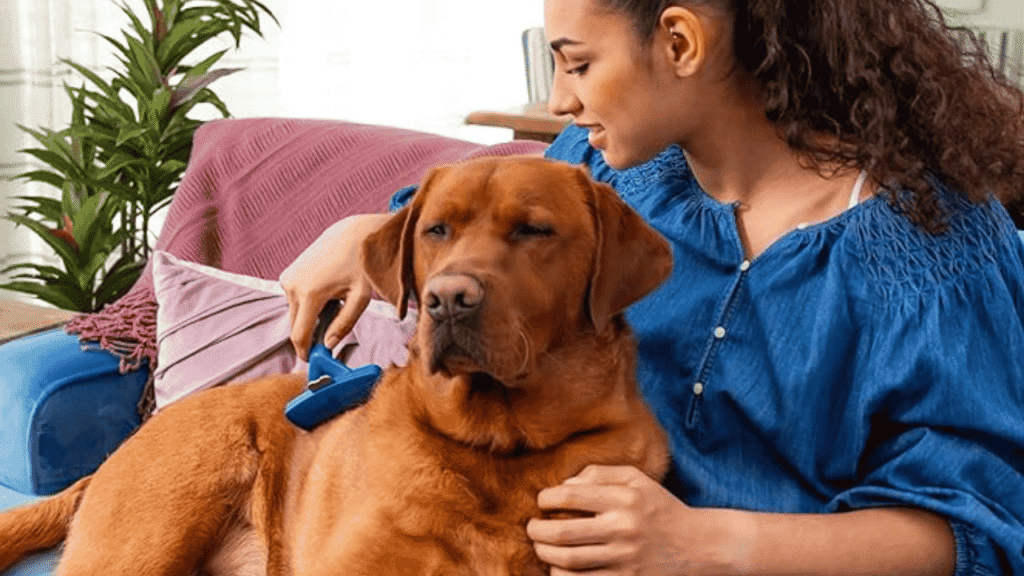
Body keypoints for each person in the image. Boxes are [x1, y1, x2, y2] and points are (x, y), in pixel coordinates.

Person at [280, 0, 1024, 574]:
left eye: (577, 65)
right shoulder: (614, 171)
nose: (560, 102)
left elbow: (973, 529)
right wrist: (364, 230)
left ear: (679, 42)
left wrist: (702, 543)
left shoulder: (938, 250)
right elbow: (489, 216)